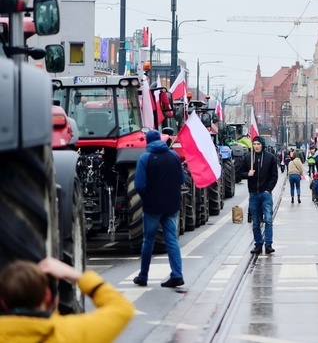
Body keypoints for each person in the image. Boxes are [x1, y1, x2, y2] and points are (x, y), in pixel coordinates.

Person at [0, 256, 134, 341]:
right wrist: (76, 275)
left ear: (3, 302)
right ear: (47, 296)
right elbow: (122, 309)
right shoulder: (70, 333)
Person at [133, 129, 186, 288]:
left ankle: (143, 276)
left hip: (152, 207)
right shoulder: (174, 156)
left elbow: (139, 185)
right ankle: (177, 275)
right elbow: (182, 179)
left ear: (148, 142)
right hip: (172, 205)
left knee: (148, 241)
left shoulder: (145, 158)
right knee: (171, 240)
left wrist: (147, 198)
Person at [240, 136, 279, 255]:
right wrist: (248, 174)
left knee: (268, 219)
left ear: (262, 145)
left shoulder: (270, 158)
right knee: (256, 221)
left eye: (258, 144)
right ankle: (258, 243)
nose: (256, 146)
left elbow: (274, 175)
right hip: (253, 194)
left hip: (265, 194)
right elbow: (239, 173)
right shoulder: (248, 158)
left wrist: (268, 190)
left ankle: (268, 244)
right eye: (254, 144)